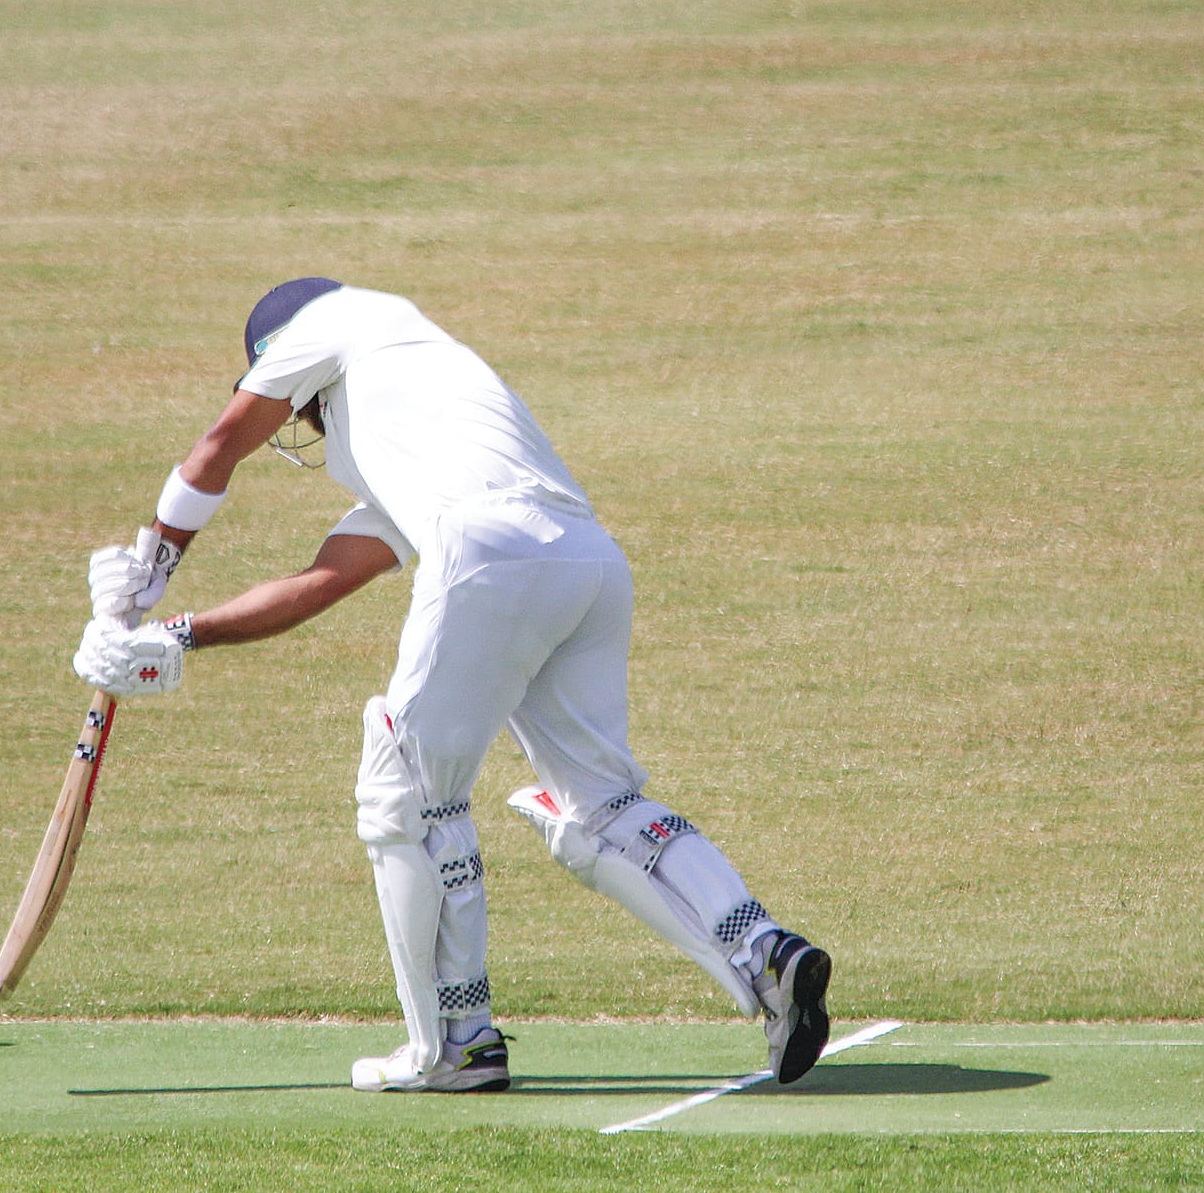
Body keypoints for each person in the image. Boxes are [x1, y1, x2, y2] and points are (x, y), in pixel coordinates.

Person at [73, 278, 832, 1093]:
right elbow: (325, 579)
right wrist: (177, 635)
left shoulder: (337, 318)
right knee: (598, 807)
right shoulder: (421, 414)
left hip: (489, 549)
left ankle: (454, 1046)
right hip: (585, 560)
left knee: (405, 792)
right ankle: (764, 952)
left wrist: (146, 570)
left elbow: (220, 443)